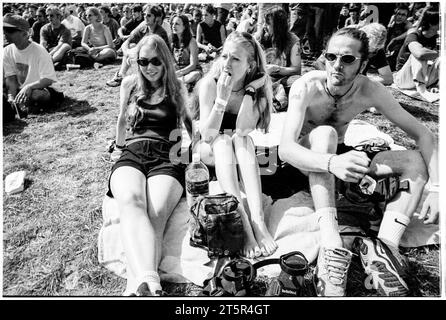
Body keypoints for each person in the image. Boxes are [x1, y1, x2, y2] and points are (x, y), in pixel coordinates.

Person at [279, 27, 438, 297]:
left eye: (347, 59)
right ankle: (331, 247)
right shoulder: (306, 86)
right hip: (305, 159)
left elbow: (423, 133)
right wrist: (331, 162)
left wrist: (436, 187)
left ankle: (385, 249)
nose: (336, 65)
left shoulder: (370, 90)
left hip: (342, 158)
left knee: (412, 159)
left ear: (363, 64)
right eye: (331, 57)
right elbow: (285, 149)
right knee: (325, 133)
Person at [107, 34, 192, 296]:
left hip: (167, 155)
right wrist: (117, 147)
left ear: (165, 60)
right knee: (132, 202)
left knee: (156, 214)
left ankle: (138, 286)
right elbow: (122, 119)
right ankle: (150, 283)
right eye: (143, 61)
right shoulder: (130, 84)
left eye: (155, 61)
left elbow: (189, 124)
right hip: (132, 152)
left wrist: (192, 154)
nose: (149, 67)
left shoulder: (176, 86)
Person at [193, 31, 277, 258]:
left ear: (250, 65)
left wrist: (249, 92)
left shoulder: (257, 89)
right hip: (208, 147)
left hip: (238, 148)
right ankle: (243, 222)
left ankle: (258, 221)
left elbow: (242, 129)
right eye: (225, 56)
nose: (227, 63)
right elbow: (208, 135)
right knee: (221, 141)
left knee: (241, 138)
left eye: (235, 58)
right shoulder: (209, 84)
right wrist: (222, 98)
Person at [3, 13, 61, 117]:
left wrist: (29, 86)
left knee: (38, 95)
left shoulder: (39, 51)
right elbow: (11, 78)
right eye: (4, 29)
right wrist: (11, 96)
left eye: (10, 30)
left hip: (37, 88)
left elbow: (47, 80)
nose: (5, 33)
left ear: (25, 34)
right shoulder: (7, 51)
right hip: (18, 89)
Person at [106, 5, 169, 87]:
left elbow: (156, 54)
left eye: (149, 15)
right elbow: (127, 41)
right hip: (146, 59)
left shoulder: (160, 32)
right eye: (145, 14)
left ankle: (141, 81)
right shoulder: (144, 26)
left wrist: (133, 53)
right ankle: (121, 75)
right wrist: (127, 52)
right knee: (131, 47)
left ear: (156, 18)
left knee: (135, 53)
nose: (145, 17)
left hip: (158, 62)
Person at [313, 23, 393, 86]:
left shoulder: (376, 47)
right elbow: (319, 62)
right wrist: (333, 77)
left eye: (372, 52)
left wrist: (362, 80)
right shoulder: (345, 37)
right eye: (367, 49)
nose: (368, 54)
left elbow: (388, 78)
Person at [255, 6, 301, 111]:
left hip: (282, 80)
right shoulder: (259, 37)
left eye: (268, 24)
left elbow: (297, 70)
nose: (264, 26)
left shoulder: (293, 41)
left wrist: (277, 69)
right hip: (262, 78)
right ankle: (275, 98)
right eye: (264, 22)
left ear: (278, 27)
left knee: (297, 81)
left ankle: (273, 97)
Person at [394, 6, 440, 103]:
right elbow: (419, 54)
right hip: (404, 80)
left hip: (425, 77)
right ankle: (422, 91)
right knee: (420, 54)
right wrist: (439, 53)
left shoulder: (438, 38)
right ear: (432, 23)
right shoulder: (414, 35)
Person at [171, 14, 202, 89]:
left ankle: (178, 82)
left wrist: (179, 73)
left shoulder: (191, 42)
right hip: (178, 72)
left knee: (195, 75)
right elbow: (172, 61)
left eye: (177, 24)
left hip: (190, 71)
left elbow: (193, 65)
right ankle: (183, 84)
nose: (174, 26)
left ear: (184, 26)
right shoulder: (172, 41)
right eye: (172, 23)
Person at [386, 4, 413, 71]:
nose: (400, 17)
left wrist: (395, 39)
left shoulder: (408, 25)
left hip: (399, 51)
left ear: (407, 17)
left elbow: (410, 31)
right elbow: (388, 34)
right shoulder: (393, 19)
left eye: (403, 15)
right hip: (388, 48)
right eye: (398, 14)